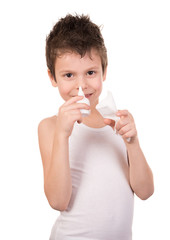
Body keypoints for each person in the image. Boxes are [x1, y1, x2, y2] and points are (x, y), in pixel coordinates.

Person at [38, 13, 154, 240]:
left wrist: (133, 142)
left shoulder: (116, 121)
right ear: (53, 78)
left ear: (104, 71)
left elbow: (146, 191)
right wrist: (62, 134)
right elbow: (57, 201)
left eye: (90, 73)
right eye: (69, 75)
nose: (81, 86)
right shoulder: (50, 127)